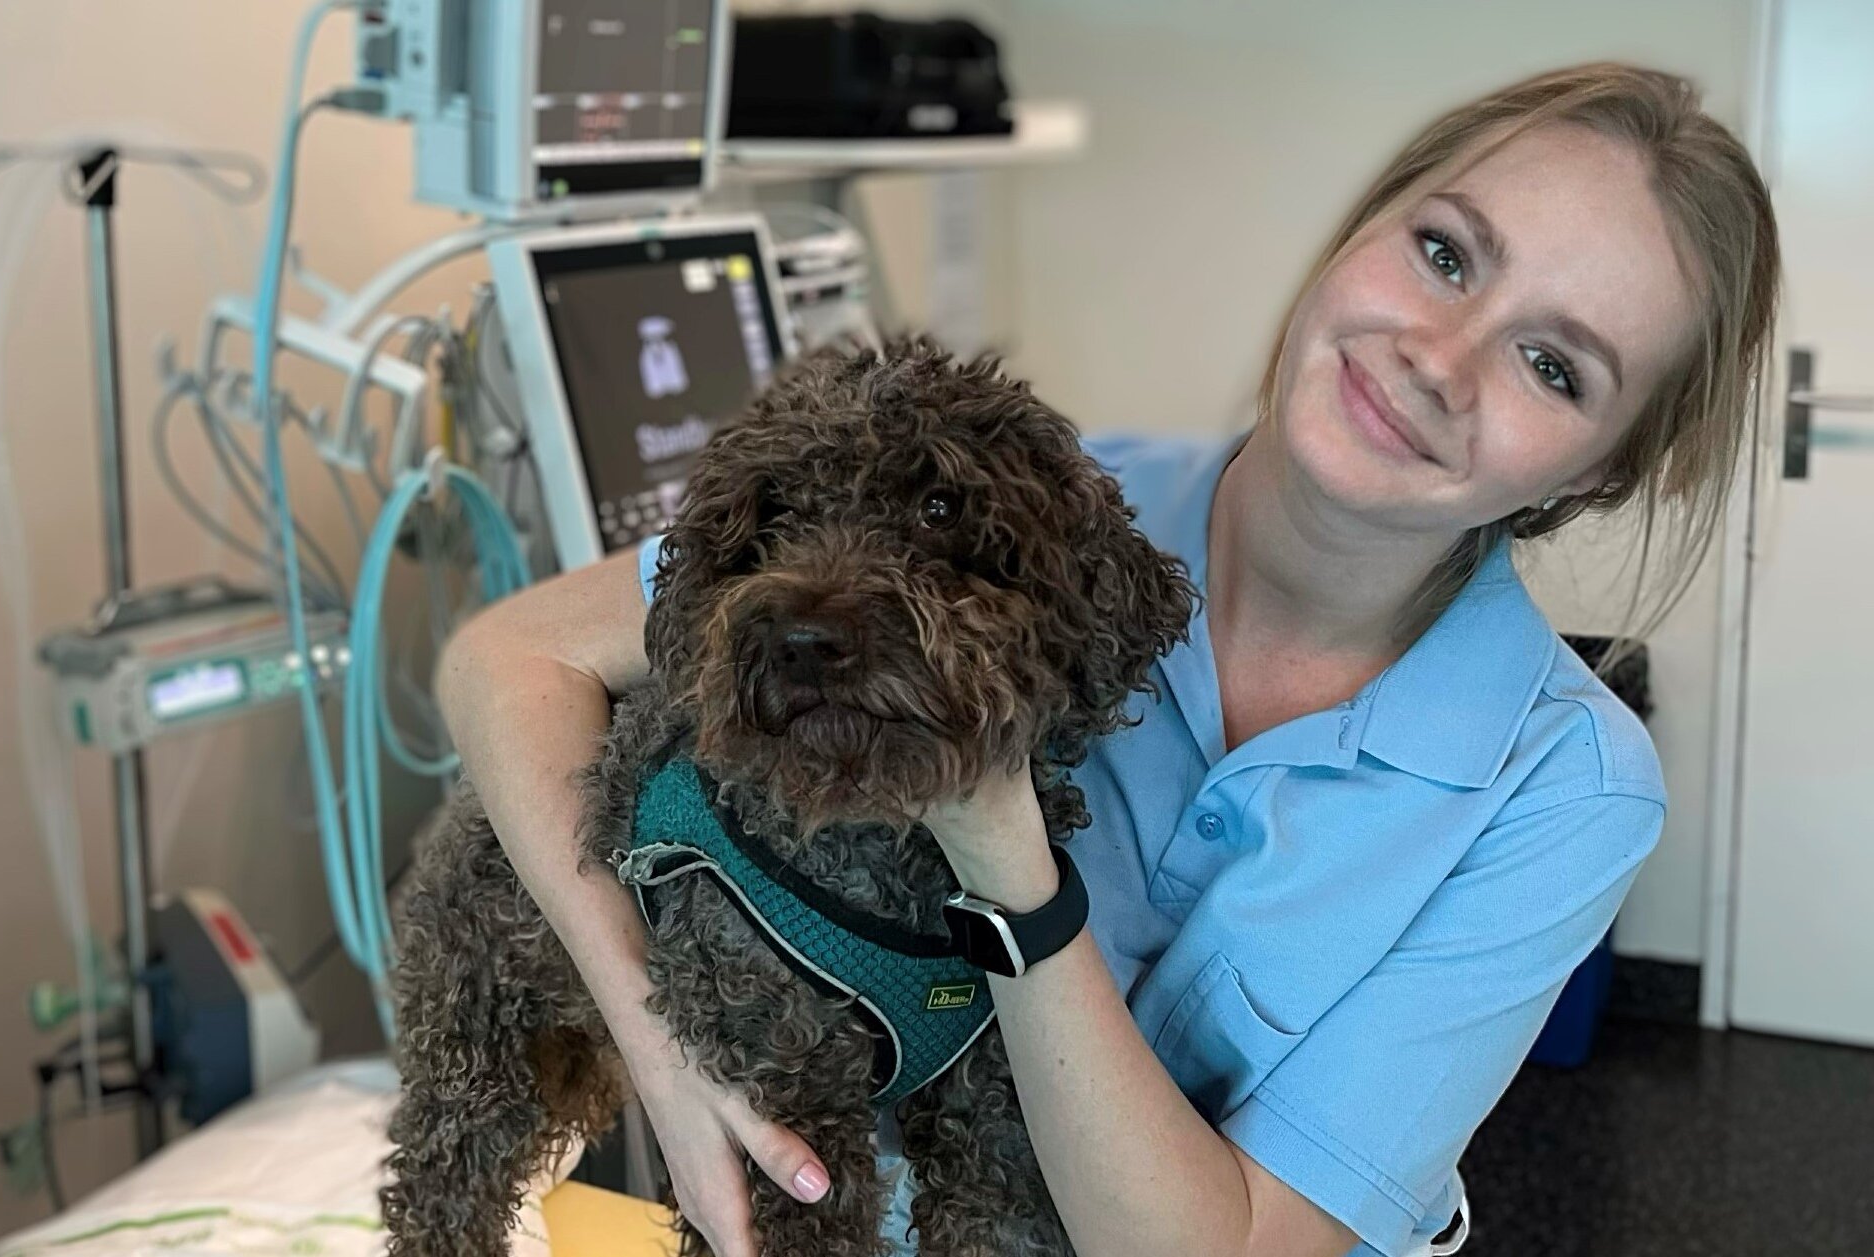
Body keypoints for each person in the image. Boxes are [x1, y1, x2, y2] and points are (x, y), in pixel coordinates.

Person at [435, 62, 1778, 1257]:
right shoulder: (1039, 509)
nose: (1441, 357)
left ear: (1602, 473)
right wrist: (658, 1036)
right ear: (1358, 234)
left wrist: (1004, 853)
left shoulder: (1565, 791)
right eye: (1442, 254)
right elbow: (509, 659)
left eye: (1552, 364)